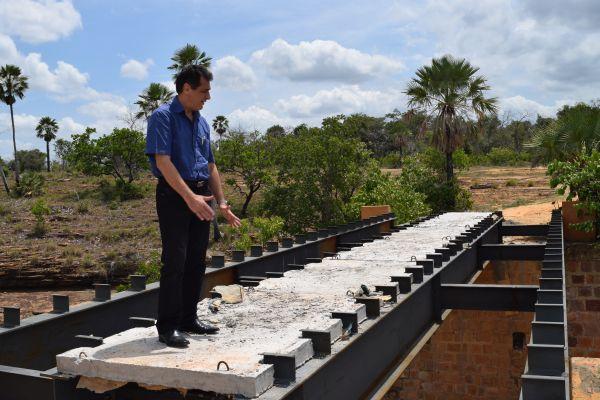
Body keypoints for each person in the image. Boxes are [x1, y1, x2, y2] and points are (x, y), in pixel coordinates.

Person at [146, 65, 241, 348]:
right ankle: (168, 327)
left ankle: (189, 319)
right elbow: (163, 162)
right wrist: (190, 198)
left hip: (202, 195)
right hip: (176, 196)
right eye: (204, 91)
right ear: (186, 88)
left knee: (196, 260)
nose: (208, 97)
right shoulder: (162, 117)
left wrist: (221, 202)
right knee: (175, 261)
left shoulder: (201, 122)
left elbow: (210, 165)